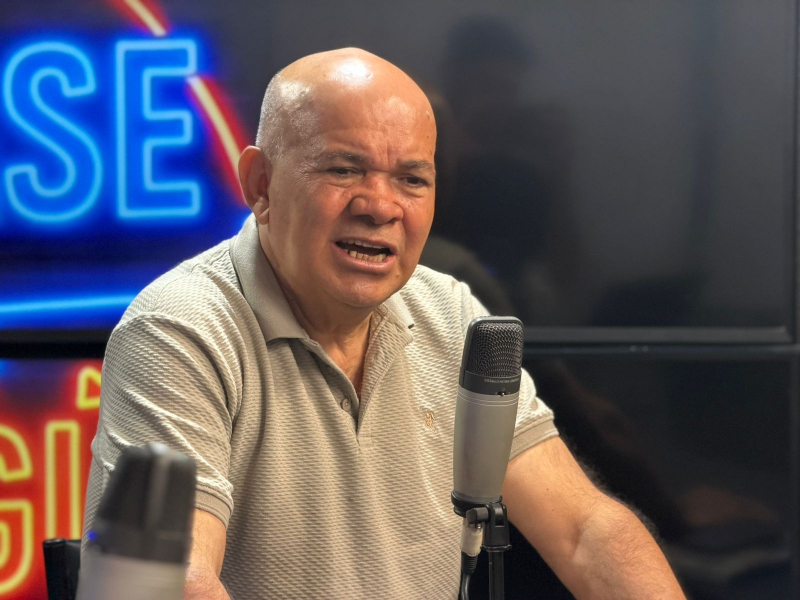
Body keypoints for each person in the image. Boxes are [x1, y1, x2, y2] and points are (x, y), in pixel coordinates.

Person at [82, 48, 685, 599]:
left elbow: (585, 531)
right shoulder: (178, 329)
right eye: (343, 170)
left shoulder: (450, 312)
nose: (380, 206)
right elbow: (169, 583)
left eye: (411, 179)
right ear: (260, 184)